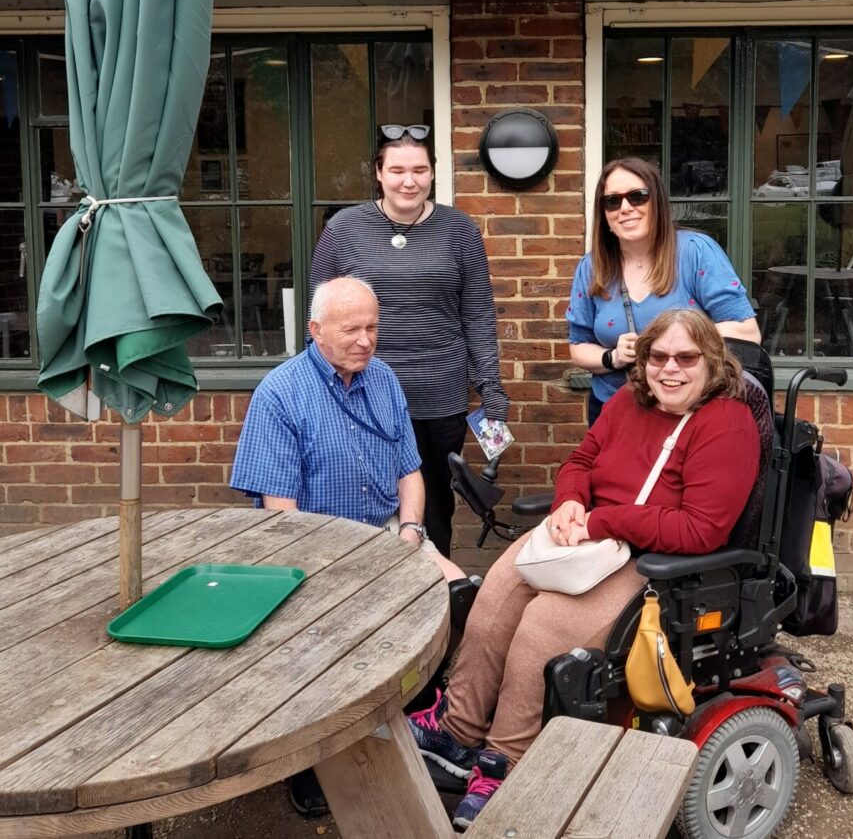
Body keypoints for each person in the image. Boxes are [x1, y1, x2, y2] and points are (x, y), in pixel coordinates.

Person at [407, 309, 761, 829]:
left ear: (711, 363)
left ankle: (505, 763)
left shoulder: (726, 424)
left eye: (686, 358)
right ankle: (457, 729)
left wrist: (601, 520)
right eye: (658, 356)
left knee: (541, 625)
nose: (670, 369)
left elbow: (700, 529)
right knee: (497, 595)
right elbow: (580, 462)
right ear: (643, 362)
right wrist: (571, 503)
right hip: (588, 534)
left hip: (657, 562)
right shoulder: (626, 401)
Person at [230, 276, 467, 818]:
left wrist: (411, 532)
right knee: (336, 634)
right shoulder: (280, 394)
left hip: (387, 528)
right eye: (351, 328)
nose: (366, 339)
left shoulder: (383, 379)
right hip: (314, 546)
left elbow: (411, 472)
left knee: (457, 593)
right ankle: (314, 760)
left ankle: (417, 721)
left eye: (373, 327)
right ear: (314, 331)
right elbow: (280, 514)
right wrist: (341, 569)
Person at [309, 124, 509, 558]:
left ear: (432, 174)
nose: (408, 180)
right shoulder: (343, 229)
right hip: (361, 392)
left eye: (419, 169)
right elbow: (319, 312)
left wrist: (490, 387)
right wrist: (316, 381)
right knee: (366, 492)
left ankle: (435, 590)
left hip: (440, 392)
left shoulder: (459, 230)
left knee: (435, 502)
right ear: (378, 173)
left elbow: (476, 313)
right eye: (397, 169)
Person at [567, 156, 761, 425]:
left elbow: (747, 332)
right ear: (604, 214)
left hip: (690, 412)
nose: (625, 208)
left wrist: (668, 339)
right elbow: (578, 347)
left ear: (656, 201)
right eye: (613, 201)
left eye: (637, 196)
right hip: (613, 411)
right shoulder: (591, 267)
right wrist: (613, 357)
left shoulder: (695, 252)